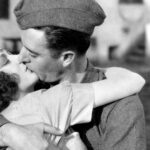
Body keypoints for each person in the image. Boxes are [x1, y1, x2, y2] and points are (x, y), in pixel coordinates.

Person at [0, 0, 146, 150]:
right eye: (23, 46)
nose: (20, 57)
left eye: (33, 53)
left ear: (66, 58)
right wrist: (7, 130)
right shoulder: (27, 86)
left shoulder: (121, 107)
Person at [0, 48, 145, 150]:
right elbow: (134, 80)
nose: (18, 57)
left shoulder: (7, 116)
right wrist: (101, 70)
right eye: (5, 61)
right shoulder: (53, 99)